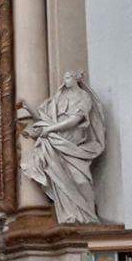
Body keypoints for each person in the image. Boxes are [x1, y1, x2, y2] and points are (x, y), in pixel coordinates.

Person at [17, 70, 107, 224]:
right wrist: (29, 109)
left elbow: (75, 120)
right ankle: (71, 215)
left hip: (73, 144)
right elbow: (44, 118)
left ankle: (88, 214)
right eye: (64, 77)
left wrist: (50, 129)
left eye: (69, 77)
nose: (66, 80)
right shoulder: (59, 97)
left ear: (76, 79)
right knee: (60, 180)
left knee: (81, 180)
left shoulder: (83, 97)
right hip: (55, 141)